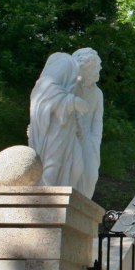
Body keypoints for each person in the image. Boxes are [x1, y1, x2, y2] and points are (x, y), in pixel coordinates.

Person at [28, 52, 90, 190]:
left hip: (67, 126)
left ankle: (66, 203)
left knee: (76, 167)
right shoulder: (66, 63)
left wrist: (78, 125)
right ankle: (46, 200)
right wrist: (73, 102)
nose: (96, 74)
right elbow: (44, 88)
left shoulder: (76, 78)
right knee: (52, 163)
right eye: (95, 69)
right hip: (54, 125)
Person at [71, 48, 103, 198]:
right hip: (69, 137)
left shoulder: (98, 93)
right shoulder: (69, 86)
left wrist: (95, 142)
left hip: (88, 140)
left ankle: (83, 215)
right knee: (72, 173)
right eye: (95, 67)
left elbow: (98, 122)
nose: (99, 69)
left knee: (90, 176)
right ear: (83, 68)